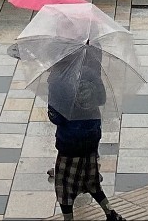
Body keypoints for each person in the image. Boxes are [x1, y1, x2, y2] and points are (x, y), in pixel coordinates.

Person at [46, 50, 124, 221]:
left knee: (64, 186)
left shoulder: (56, 81)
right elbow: (102, 99)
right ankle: (110, 213)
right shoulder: (88, 72)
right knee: (91, 179)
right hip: (92, 136)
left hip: (70, 143)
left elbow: (56, 117)